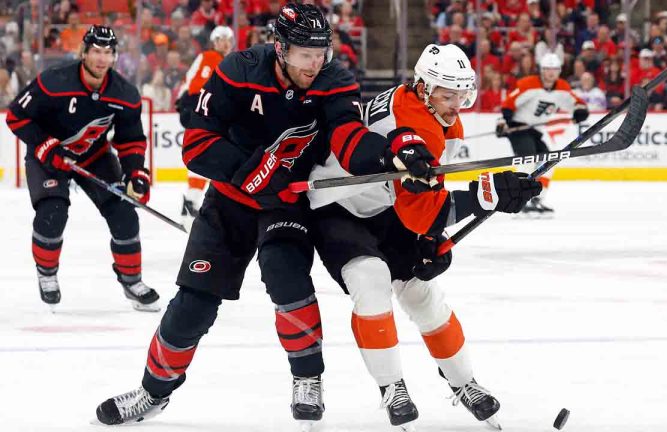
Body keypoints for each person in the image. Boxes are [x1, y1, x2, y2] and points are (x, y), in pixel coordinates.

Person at [93, 4, 436, 428]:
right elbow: (197, 144)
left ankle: (308, 378)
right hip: (230, 201)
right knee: (193, 303)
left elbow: (348, 136)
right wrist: (249, 170)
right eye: (304, 53)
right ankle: (152, 392)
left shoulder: (334, 79)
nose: (315, 63)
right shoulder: (240, 69)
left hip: (285, 202)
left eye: (321, 52)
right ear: (280, 48)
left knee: (285, 274)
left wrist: (390, 154)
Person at [307, 43, 542, 430]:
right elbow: (422, 214)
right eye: (447, 95)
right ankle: (392, 386)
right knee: (371, 283)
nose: (455, 103)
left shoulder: (439, 118)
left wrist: (436, 238)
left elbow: (423, 205)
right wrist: (487, 198)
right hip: (338, 208)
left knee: (422, 294)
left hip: (387, 209)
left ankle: (463, 382)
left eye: (463, 95)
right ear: (421, 87)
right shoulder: (419, 125)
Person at [4, 25, 159, 312]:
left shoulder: (125, 93)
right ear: (84, 52)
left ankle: (131, 279)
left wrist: (136, 172)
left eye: (108, 53)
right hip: (48, 156)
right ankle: (47, 273)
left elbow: (131, 140)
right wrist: (45, 146)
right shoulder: (54, 81)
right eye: (96, 52)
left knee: (124, 213)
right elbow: (16, 116)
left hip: (94, 157)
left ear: (114, 57)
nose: (102, 59)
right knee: (53, 213)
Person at [497, 53, 588, 217]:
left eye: (554, 69)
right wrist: (504, 121)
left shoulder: (562, 87)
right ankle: (519, 199)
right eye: (547, 69)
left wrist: (580, 111)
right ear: (541, 70)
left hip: (535, 131)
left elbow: (577, 103)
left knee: (548, 161)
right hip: (518, 127)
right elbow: (508, 103)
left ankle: (536, 199)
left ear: (559, 71)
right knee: (527, 160)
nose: (550, 73)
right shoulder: (528, 83)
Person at [175, 25, 234, 230]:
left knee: (205, 160)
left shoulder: (228, 61)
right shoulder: (209, 57)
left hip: (209, 116)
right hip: (202, 115)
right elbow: (194, 86)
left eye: (228, 39)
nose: (225, 43)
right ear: (214, 42)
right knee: (204, 159)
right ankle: (191, 204)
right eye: (221, 39)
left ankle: (191, 204)